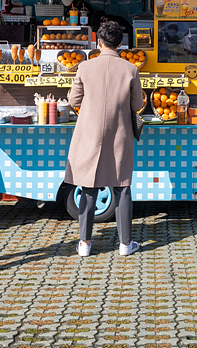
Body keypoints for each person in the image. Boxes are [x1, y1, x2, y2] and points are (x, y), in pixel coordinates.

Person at [66, 20, 144, 257]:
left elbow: (74, 102)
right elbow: (138, 104)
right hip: (120, 134)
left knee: (89, 188)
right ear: (121, 43)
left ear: (98, 42)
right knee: (122, 187)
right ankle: (125, 244)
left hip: (89, 133)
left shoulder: (84, 67)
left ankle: (85, 245)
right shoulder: (131, 69)